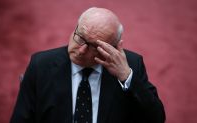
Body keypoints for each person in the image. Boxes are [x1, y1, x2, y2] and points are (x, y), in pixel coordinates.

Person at [10, 7, 165, 123]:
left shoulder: (130, 65)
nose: (81, 49)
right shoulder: (41, 65)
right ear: (75, 28)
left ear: (113, 48)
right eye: (80, 37)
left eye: (93, 46)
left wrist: (126, 76)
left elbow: (156, 118)